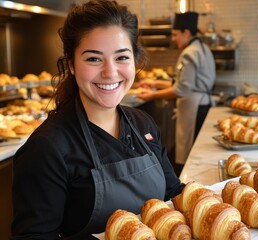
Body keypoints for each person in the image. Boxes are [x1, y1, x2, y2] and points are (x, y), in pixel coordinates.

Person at [11, 1, 184, 239]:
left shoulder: (143, 124)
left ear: (135, 60)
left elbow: (172, 193)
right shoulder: (47, 148)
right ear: (71, 65)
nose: (110, 72)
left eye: (122, 57)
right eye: (94, 59)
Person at [137, 12, 216, 169]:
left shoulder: (189, 53)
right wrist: (153, 82)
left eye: (175, 34)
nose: (173, 39)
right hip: (202, 103)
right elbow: (182, 82)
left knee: (189, 156)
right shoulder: (203, 48)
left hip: (194, 109)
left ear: (186, 32)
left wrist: (152, 95)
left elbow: (182, 88)